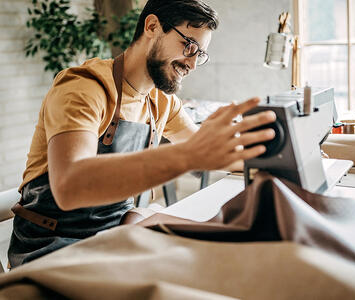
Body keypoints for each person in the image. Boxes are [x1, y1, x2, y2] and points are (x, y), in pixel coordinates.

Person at [8, 0, 276, 268]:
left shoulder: (161, 102)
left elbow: (212, 153)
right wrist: (187, 155)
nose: (192, 65)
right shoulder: (84, 89)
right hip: (51, 246)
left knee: (222, 249)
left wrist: (277, 164)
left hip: (112, 233)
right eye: (189, 46)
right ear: (152, 26)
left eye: (200, 55)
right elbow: (70, 187)